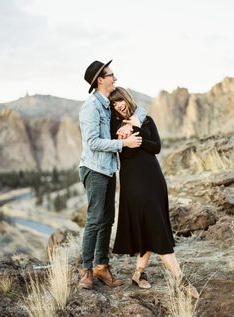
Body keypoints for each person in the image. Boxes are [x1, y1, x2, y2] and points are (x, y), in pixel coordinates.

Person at [109, 87, 199, 298]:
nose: (118, 105)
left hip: (155, 180)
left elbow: (155, 147)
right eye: (113, 103)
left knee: (150, 226)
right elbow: (129, 153)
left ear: (126, 98)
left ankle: (138, 274)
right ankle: (181, 280)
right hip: (134, 184)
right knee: (155, 226)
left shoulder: (145, 120)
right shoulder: (114, 126)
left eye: (119, 100)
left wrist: (137, 129)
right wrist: (130, 139)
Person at [78, 60, 146, 289]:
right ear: (100, 79)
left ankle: (102, 267)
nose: (115, 78)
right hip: (94, 169)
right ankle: (86, 271)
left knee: (107, 219)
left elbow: (140, 109)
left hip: (108, 169)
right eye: (111, 75)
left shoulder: (108, 104)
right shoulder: (91, 107)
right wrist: (124, 143)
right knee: (95, 220)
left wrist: (131, 123)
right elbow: (93, 142)